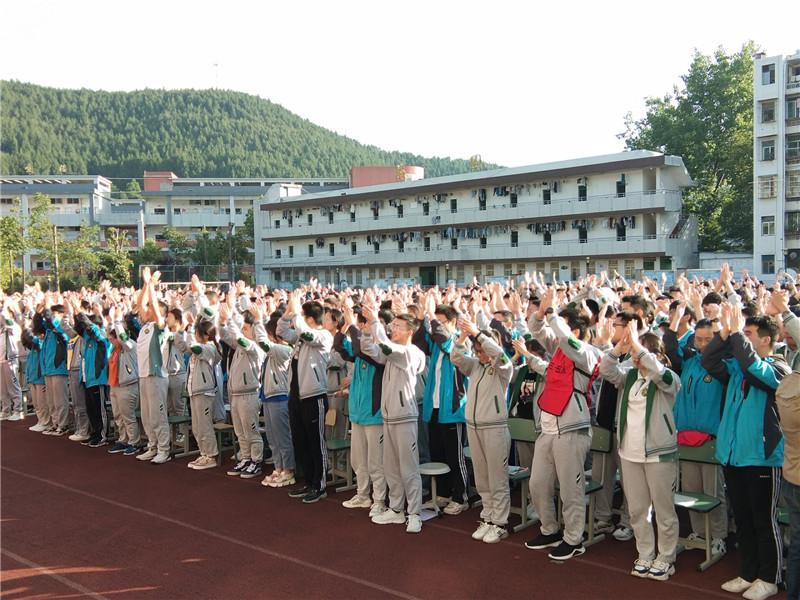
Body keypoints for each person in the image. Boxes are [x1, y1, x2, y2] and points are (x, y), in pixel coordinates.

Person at [702, 304, 790, 600]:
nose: (744, 338)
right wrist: (725, 333)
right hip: (734, 456)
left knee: (764, 519)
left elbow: (756, 369)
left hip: (763, 457)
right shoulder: (737, 367)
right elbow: (708, 360)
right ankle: (749, 572)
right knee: (743, 518)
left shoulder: (779, 368)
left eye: (749, 334)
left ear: (766, 339)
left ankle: (770, 576)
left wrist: (736, 332)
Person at [601, 322, 681, 581]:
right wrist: (620, 348)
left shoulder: (667, 377)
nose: (635, 358)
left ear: (656, 354)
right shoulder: (630, 377)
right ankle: (645, 553)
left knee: (664, 509)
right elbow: (606, 369)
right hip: (630, 453)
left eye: (640, 352)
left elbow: (659, 372)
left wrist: (636, 344)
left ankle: (666, 557)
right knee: (637, 510)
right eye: (634, 354)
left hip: (659, 454)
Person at [525, 286, 600, 561]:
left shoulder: (587, 352)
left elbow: (566, 339)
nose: (557, 331)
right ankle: (549, 529)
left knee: (571, 488)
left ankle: (573, 538)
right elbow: (535, 328)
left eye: (563, 326)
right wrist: (542, 310)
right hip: (548, 426)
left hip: (572, 427)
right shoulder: (558, 349)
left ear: (576, 332)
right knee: (538, 483)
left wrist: (552, 312)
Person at [663, 306, 728, 557]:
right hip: (685, 437)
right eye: (698, 339)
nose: (702, 344)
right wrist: (674, 322)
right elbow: (669, 349)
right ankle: (699, 532)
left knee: (714, 492)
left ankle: (719, 536)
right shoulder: (688, 362)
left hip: (711, 439)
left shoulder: (723, 366)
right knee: (691, 491)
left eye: (708, 340)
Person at [360, 301, 426, 534]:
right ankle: (396, 509)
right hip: (388, 417)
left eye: (398, 326)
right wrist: (368, 328)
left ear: (410, 331)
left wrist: (377, 323)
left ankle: (414, 513)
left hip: (405, 417)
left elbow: (388, 349)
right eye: (392, 325)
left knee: (409, 468)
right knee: (391, 467)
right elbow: (371, 350)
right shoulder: (392, 352)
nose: (393, 329)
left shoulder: (411, 352)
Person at [451, 318, 514, 544]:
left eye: (481, 350)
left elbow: (499, 355)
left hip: (495, 428)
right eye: (476, 350)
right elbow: (456, 357)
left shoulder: (503, 368)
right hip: (475, 427)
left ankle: (500, 522)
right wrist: (462, 337)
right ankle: (487, 517)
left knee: (497, 478)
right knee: (482, 477)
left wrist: (478, 334)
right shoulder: (475, 366)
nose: (478, 354)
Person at [278, 290, 333, 504]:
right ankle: (308, 481)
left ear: (310, 319)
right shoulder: (301, 339)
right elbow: (282, 331)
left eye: (302, 315)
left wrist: (296, 310)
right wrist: (288, 313)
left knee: (315, 442)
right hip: (296, 397)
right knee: (300, 441)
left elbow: (304, 331)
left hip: (314, 397)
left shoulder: (322, 336)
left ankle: (319, 484)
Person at [416, 299, 470, 516]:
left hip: (453, 408)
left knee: (454, 456)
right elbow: (421, 340)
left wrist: (431, 316)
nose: (436, 326)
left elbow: (445, 342)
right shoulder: (437, 346)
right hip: (434, 407)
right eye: (435, 322)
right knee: (437, 452)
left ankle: (461, 496)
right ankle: (443, 493)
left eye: (441, 322)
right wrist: (421, 319)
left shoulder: (459, 343)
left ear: (453, 322)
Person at [334, 303, 387, 516]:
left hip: (374, 415)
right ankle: (363, 494)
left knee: (376, 462)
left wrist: (355, 328)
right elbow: (342, 348)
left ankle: (379, 499)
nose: (362, 328)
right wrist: (345, 325)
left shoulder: (379, 354)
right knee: (359, 460)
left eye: (365, 324)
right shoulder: (359, 354)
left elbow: (360, 348)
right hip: (357, 413)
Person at [219, 293, 266, 480]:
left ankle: (257, 461)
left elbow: (239, 338)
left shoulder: (255, 348)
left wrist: (231, 317)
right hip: (236, 394)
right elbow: (225, 335)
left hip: (250, 394)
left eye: (246, 328)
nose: (243, 330)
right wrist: (223, 321)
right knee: (240, 431)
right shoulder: (239, 347)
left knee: (251, 430)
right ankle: (246, 458)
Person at [255, 308, 296, 488]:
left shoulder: (284, 349)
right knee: (273, 437)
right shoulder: (275, 351)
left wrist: (257, 321)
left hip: (280, 397)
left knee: (282, 437)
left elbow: (263, 343)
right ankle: (279, 467)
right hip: (269, 397)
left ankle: (288, 470)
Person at [135, 268, 172, 464]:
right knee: (147, 416)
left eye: (153, 307)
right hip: (143, 376)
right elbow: (140, 303)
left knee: (158, 415)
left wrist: (152, 287)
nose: (147, 309)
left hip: (156, 376)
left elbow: (155, 310)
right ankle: (152, 445)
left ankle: (164, 449)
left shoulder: (160, 327)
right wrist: (146, 283)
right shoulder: (144, 326)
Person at [176, 312, 221, 470]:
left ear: (205, 335)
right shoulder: (200, 348)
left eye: (196, 333)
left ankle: (211, 455)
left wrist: (190, 328)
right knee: (197, 426)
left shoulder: (209, 348)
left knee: (204, 425)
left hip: (205, 392)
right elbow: (182, 346)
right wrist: (183, 330)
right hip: (195, 392)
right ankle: (204, 453)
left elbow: (193, 346)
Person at [106, 306, 141, 456]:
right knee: (118, 415)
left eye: (113, 339)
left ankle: (134, 441)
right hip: (115, 386)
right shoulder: (115, 350)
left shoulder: (130, 346)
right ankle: (123, 439)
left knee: (128, 415)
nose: (111, 341)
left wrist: (116, 321)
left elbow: (123, 338)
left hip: (127, 386)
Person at [78, 312, 112, 448]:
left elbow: (94, 331)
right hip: (88, 379)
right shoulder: (88, 339)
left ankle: (102, 435)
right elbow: (78, 328)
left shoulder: (102, 336)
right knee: (91, 409)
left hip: (99, 378)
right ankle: (94, 433)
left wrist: (85, 319)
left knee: (100, 409)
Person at [41, 304, 71, 435]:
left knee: (60, 399)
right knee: (51, 400)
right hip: (48, 369)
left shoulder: (61, 328)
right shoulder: (48, 332)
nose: (52, 317)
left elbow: (55, 325)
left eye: (54, 314)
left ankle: (63, 424)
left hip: (59, 368)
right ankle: (55, 422)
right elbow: (38, 324)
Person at [22, 316, 49, 432]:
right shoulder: (32, 349)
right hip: (33, 378)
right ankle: (40, 420)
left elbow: (32, 339)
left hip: (40, 378)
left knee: (42, 403)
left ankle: (46, 422)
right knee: (36, 403)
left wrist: (28, 329)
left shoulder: (40, 343)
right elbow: (26, 340)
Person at [0, 303, 24, 421]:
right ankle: (6, 410)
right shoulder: (2, 328)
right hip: (1, 360)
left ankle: (18, 410)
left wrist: (4, 310)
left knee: (13, 386)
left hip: (11, 359)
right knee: (2, 388)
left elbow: (8, 322)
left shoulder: (13, 325)